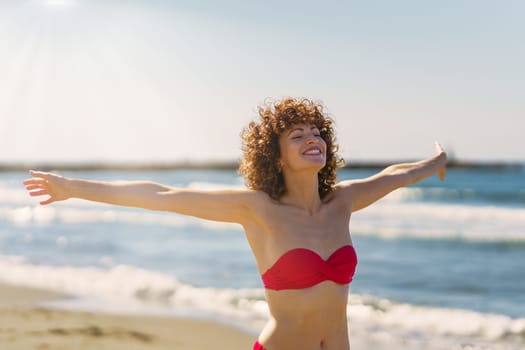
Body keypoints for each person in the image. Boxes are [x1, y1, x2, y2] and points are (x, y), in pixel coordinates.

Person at [23, 97, 447, 350]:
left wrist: (435, 162)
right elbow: (162, 196)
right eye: (297, 136)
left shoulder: (344, 200)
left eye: (316, 132)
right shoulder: (257, 208)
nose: (312, 139)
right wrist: (73, 187)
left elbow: (396, 176)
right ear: (276, 156)